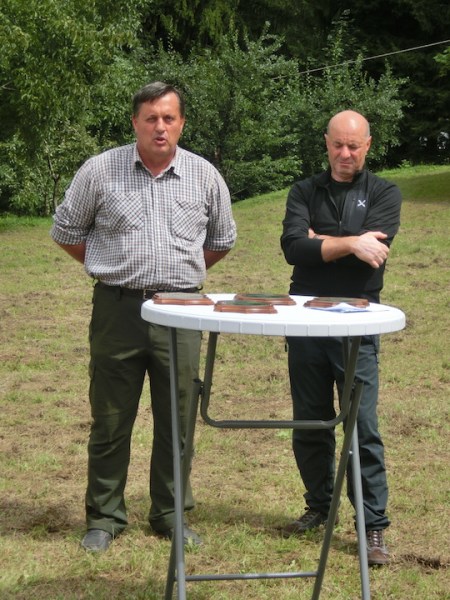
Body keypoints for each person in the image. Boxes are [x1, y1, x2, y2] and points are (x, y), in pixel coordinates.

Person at [50, 81, 237, 552]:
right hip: (118, 310)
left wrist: (180, 279)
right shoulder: (100, 170)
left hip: (182, 311)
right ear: (135, 122)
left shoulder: (204, 175)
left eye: (169, 118)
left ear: (182, 123)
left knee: (178, 418)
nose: (160, 127)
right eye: (151, 118)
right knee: (110, 420)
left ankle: (171, 514)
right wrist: (107, 267)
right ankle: (104, 517)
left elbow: (221, 239)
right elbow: (66, 230)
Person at [280, 110, 402, 566]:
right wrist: (351, 242)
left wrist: (322, 242)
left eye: (354, 145)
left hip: (358, 323)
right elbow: (293, 248)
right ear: (326, 142)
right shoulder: (303, 191)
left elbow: (374, 255)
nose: (345, 153)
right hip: (304, 320)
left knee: (361, 425)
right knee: (309, 420)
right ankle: (318, 506)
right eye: (337, 144)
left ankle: (373, 526)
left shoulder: (385, 193)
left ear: (368, 145)